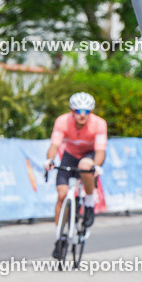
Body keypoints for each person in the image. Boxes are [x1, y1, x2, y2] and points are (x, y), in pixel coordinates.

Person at [45, 92, 107, 255]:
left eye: (86, 112)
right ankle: (59, 236)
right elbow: (54, 145)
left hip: (89, 155)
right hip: (70, 155)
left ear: (90, 112)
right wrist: (49, 160)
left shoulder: (99, 124)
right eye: (78, 111)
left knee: (85, 165)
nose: (82, 116)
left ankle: (88, 204)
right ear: (72, 111)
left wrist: (97, 165)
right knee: (61, 194)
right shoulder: (62, 121)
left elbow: (100, 151)